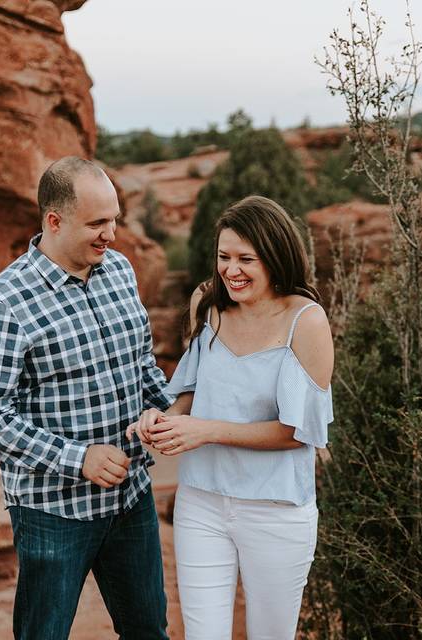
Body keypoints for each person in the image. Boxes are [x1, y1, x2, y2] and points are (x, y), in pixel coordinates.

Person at [0, 157, 171, 640]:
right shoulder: (5, 301)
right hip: (52, 510)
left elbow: (141, 365)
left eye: (114, 219)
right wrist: (77, 459)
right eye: (97, 223)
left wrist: (163, 410)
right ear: (54, 221)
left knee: (148, 631)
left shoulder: (119, 270)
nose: (112, 235)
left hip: (130, 497)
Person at [126, 195, 334, 639]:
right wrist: (162, 418)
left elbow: (298, 434)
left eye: (246, 259)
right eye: (223, 257)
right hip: (201, 501)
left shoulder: (307, 321)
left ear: (276, 256)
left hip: (275, 510)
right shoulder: (209, 302)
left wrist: (205, 430)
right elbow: (191, 387)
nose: (230, 270)